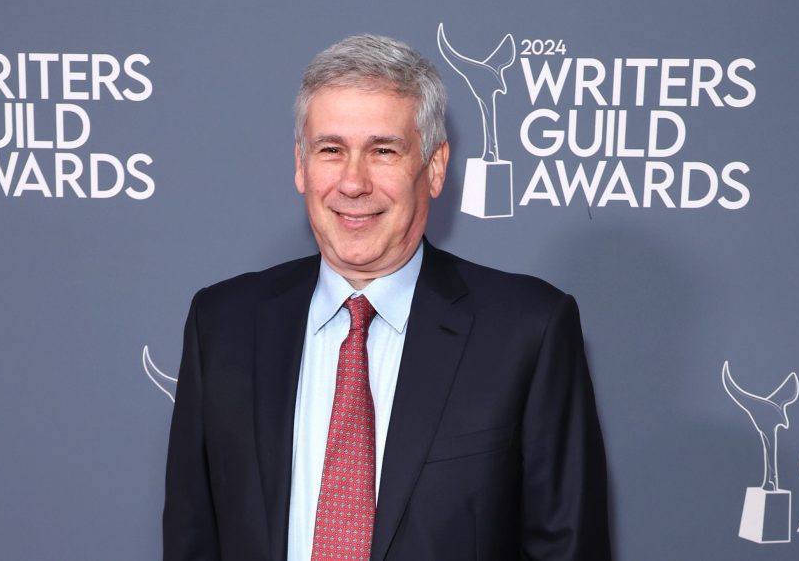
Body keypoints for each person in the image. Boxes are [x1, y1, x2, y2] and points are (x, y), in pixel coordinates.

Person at [163, 34, 611, 561]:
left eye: (383, 151)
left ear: (436, 167)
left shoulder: (527, 331)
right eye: (331, 150)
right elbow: (192, 538)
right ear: (301, 166)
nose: (353, 182)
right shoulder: (222, 324)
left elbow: (567, 547)